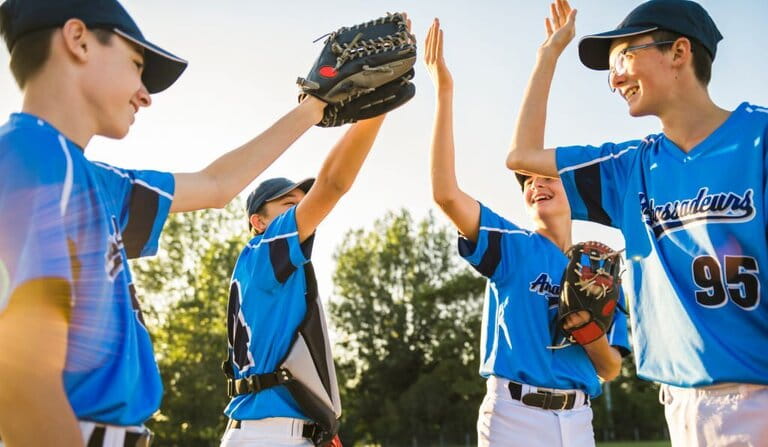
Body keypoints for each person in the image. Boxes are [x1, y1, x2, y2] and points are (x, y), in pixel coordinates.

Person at [0, 0, 327, 445]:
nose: (145, 94)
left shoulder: (89, 179)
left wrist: (315, 106)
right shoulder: (30, 161)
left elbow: (216, 184)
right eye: (137, 65)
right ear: (78, 40)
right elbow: (23, 382)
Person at [506, 0, 768, 445]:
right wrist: (547, 56)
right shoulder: (629, 166)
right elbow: (522, 157)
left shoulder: (758, 141)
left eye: (624, 56)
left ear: (679, 52)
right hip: (681, 403)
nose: (615, 77)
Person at [424, 18, 629, 447]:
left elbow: (610, 369)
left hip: (577, 420)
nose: (535, 182)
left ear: (570, 188)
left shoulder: (600, 267)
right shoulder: (512, 246)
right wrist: (444, 91)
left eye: (545, 176)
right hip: (514, 416)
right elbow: (446, 194)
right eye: (527, 181)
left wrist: (590, 333)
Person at [220, 114, 389, 447]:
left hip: (266, 429)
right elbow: (333, 184)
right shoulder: (266, 251)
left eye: (301, 204)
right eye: (288, 205)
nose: (301, 211)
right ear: (258, 221)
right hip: (274, 433)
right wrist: (376, 110)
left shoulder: (265, 266)